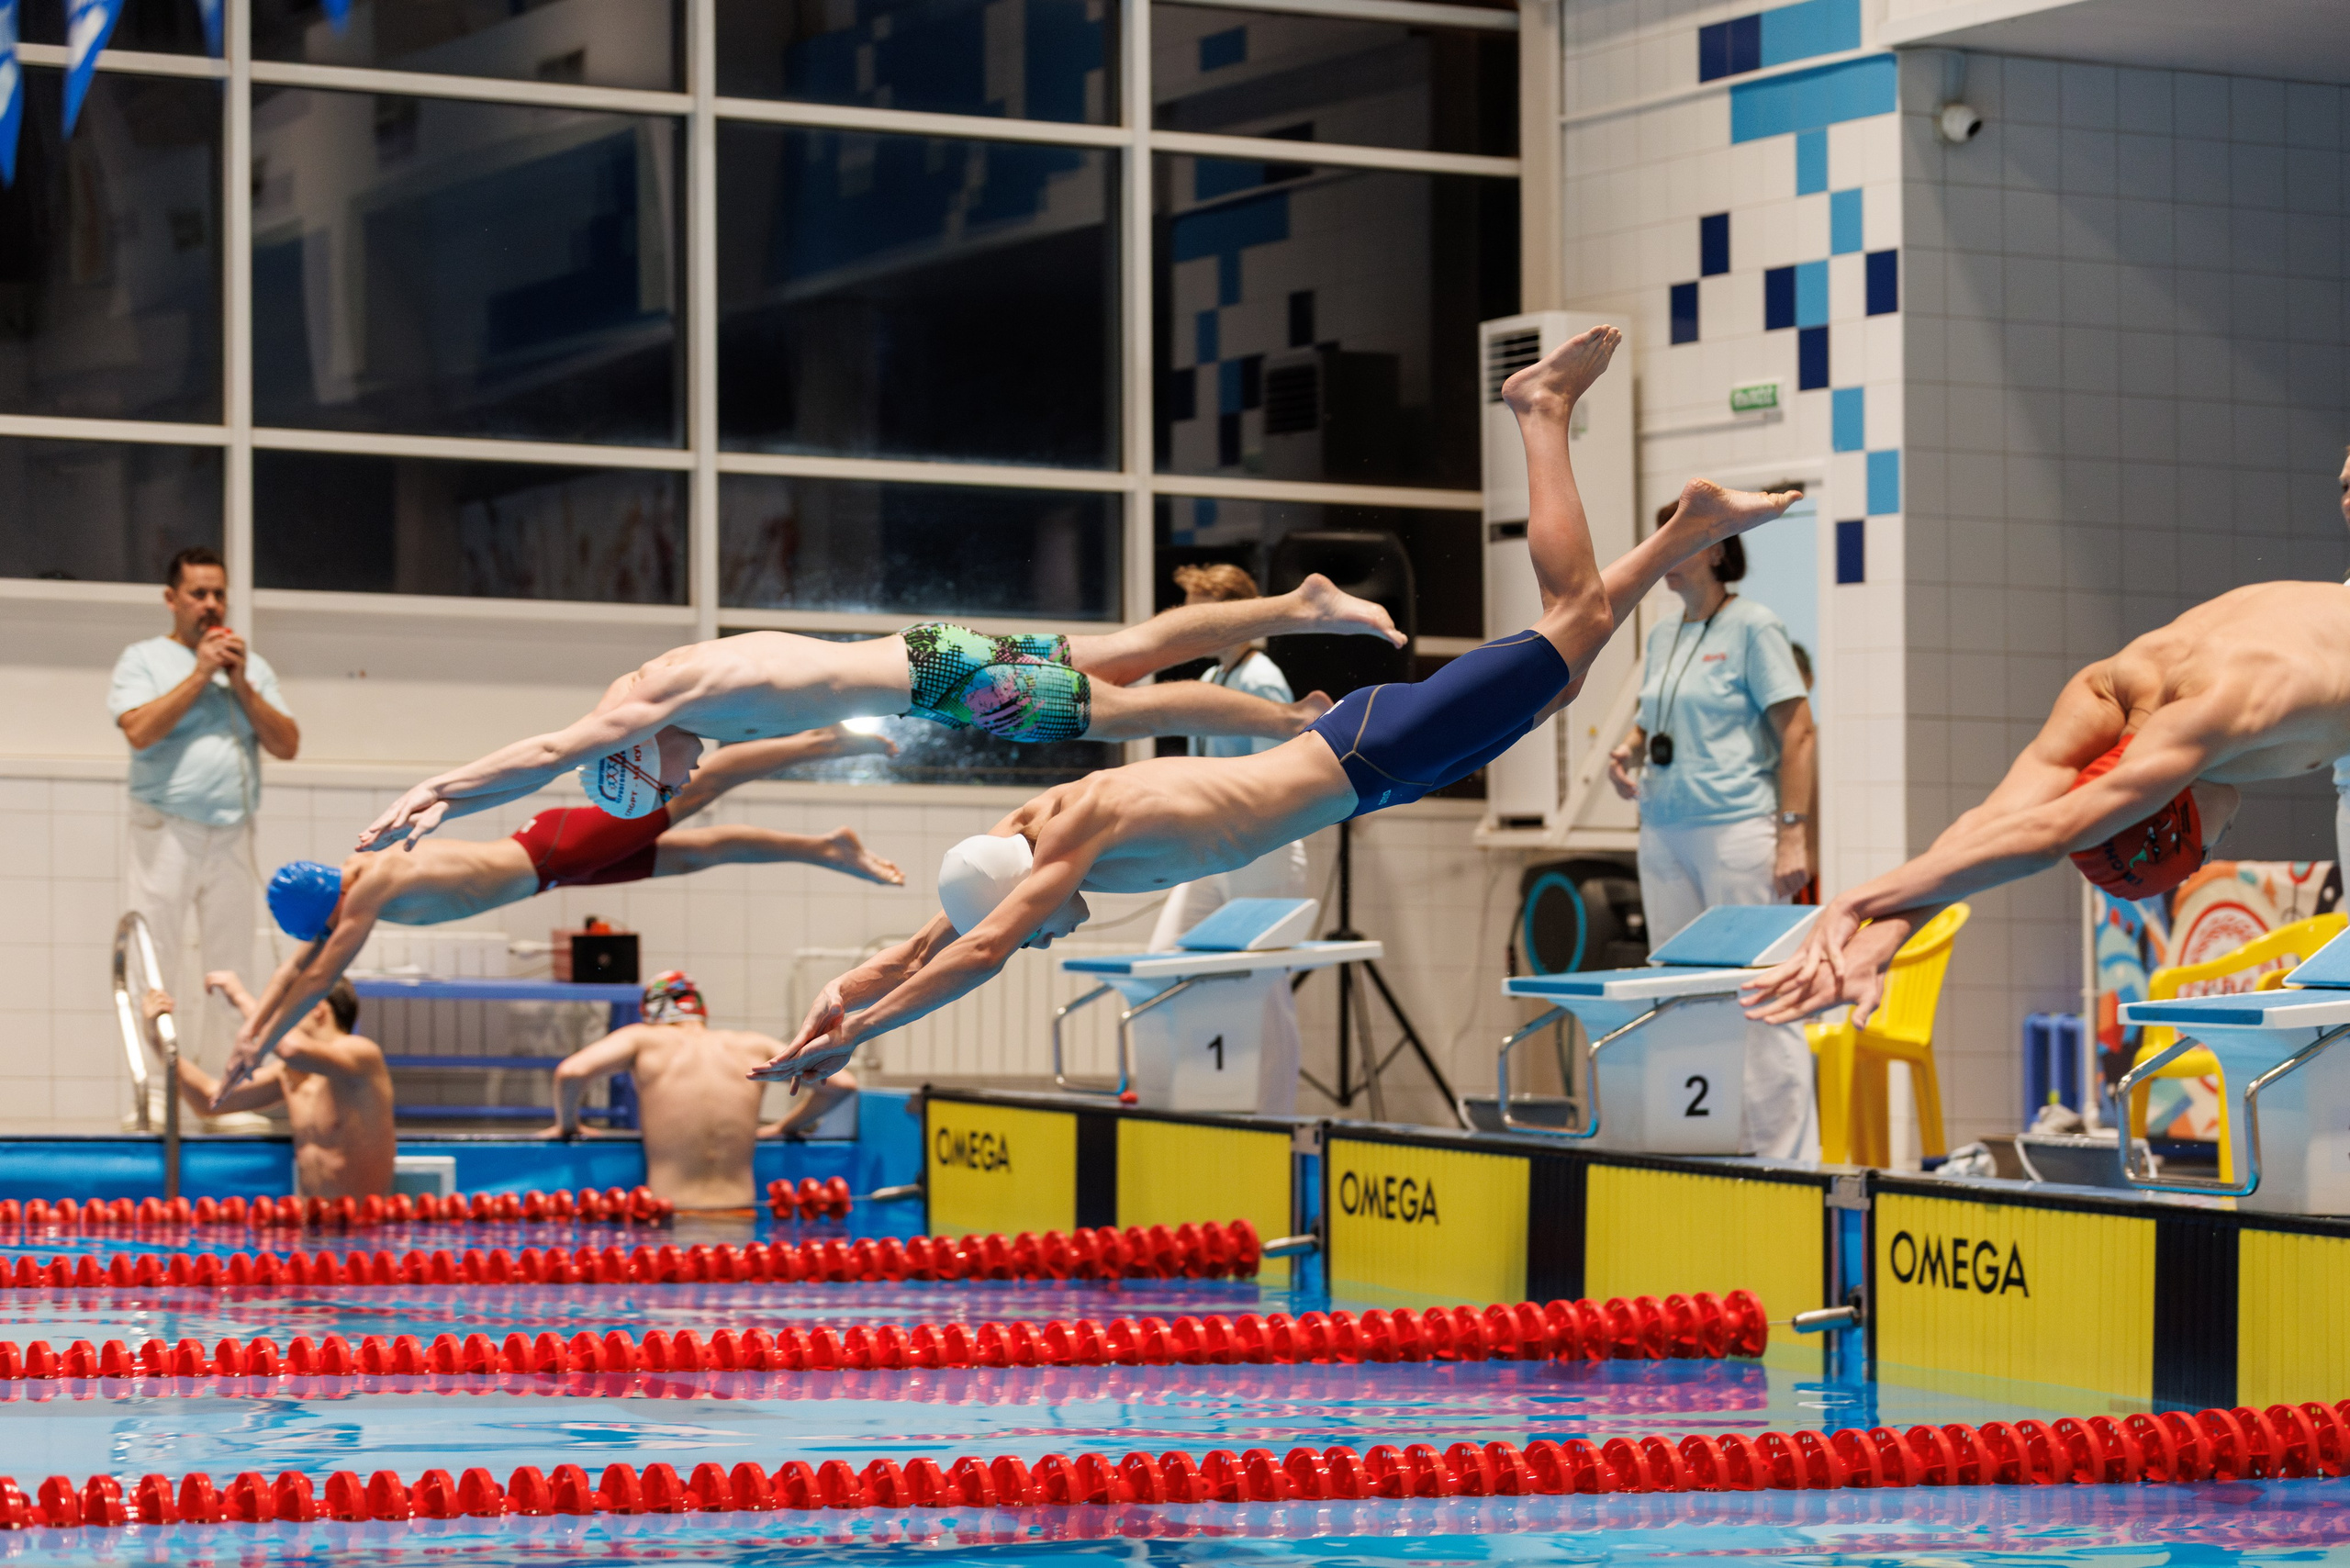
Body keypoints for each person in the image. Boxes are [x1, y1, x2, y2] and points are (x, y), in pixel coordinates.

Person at [753, 327, 1803, 1088]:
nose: (1037, 939)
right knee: (1563, 670)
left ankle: (1540, 410)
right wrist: (846, 997)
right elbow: (932, 940)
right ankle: (1681, 532)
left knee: (1570, 617)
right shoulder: (1024, 840)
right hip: (1366, 767)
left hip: (1369, 758)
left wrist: (861, 1038)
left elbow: (975, 951)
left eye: (1031, 930)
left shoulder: (1064, 845)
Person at [1731, 562, 2350, 1026]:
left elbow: (2050, 835)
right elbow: (1992, 824)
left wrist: (1856, 901)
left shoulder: (2213, 706)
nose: (2219, 847)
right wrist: (1879, 941)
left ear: (2168, 815)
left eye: (2206, 850)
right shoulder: (2127, 688)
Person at [352, 578, 1410, 850]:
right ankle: (1295, 605)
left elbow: (546, 754)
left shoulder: (665, 701)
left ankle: (1291, 723)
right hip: (923, 656)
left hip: (929, 676)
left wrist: (438, 789)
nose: (687, 775)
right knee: (1126, 651)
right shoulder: (663, 688)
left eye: (668, 779)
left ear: (633, 755)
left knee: (1116, 711)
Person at [213, 727, 906, 1101]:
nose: (327, 940)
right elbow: (301, 971)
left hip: (551, 851)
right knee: (694, 854)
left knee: (702, 789)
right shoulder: (354, 890)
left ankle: (826, 742)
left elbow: (313, 976)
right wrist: (252, 1035)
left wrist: (260, 1038)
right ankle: (824, 847)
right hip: (551, 872)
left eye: (324, 929)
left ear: (325, 911)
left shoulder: (368, 887)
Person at [1606, 516, 1818, 1157]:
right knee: (1681, 992)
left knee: (1757, 991)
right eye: (1661, 538)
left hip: (1737, 827)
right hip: (1666, 830)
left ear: (1718, 549)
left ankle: (1785, 1157)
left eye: (1683, 540)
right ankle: (1703, 1143)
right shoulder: (1665, 633)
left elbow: (1800, 731)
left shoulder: (1755, 626)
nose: (1667, 552)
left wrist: (1793, 835)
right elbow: (1654, 718)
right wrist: (1627, 750)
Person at [110, 546, 300, 1084]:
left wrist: (240, 684)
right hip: (165, 829)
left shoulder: (249, 665)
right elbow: (139, 731)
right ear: (172, 600)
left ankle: (225, 1090)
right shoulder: (143, 659)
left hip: (233, 831)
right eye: (199, 594)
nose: (212, 604)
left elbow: (287, 744)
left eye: (219, 593)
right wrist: (200, 675)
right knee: (157, 960)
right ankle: (150, 1095)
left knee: (231, 963)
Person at [1146, 562, 1314, 1114]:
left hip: (1263, 846)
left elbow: (1283, 778)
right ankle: (1173, 1102)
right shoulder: (1213, 681)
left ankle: (1273, 1119)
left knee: (1262, 986)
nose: (1186, 624)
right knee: (1162, 963)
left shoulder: (1262, 679)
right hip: (1215, 849)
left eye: (1197, 613)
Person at [544, 971, 845, 1210]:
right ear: (702, 1011)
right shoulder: (753, 1045)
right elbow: (841, 1085)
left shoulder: (643, 1039)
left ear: (649, 1013)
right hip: (740, 1213)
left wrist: (568, 1126)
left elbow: (571, 1072)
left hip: (670, 1216)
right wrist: (785, 1127)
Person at [141, 974, 394, 1199]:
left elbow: (289, 1048)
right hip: (313, 1237)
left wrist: (239, 996)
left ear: (318, 1009)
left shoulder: (362, 1056)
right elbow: (209, 1101)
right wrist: (157, 1041)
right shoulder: (292, 1074)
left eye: (288, 1009)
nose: (282, 1017)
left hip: (362, 1238)